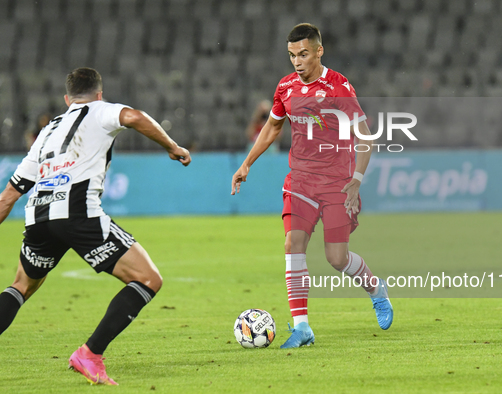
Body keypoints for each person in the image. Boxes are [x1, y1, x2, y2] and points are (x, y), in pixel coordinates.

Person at [0, 68, 191, 385]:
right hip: (76, 212)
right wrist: (171, 145)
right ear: (99, 94)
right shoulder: (101, 110)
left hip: (37, 214)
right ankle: (90, 353)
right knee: (147, 278)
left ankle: (88, 353)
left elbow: (8, 197)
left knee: (22, 286)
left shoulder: (48, 130)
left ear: (67, 99)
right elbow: (133, 116)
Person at [231, 24, 393, 349]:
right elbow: (273, 127)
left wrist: (356, 181)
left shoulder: (339, 87)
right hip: (301, 179)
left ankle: (376, 289)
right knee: (293, 244)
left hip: (336, 182)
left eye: (303, 54)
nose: (297, 61)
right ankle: (303, 328)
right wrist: (247, 162)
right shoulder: (286, 87)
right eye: (292, 55)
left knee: (337, 258)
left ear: (319, 51)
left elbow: (365, 137)